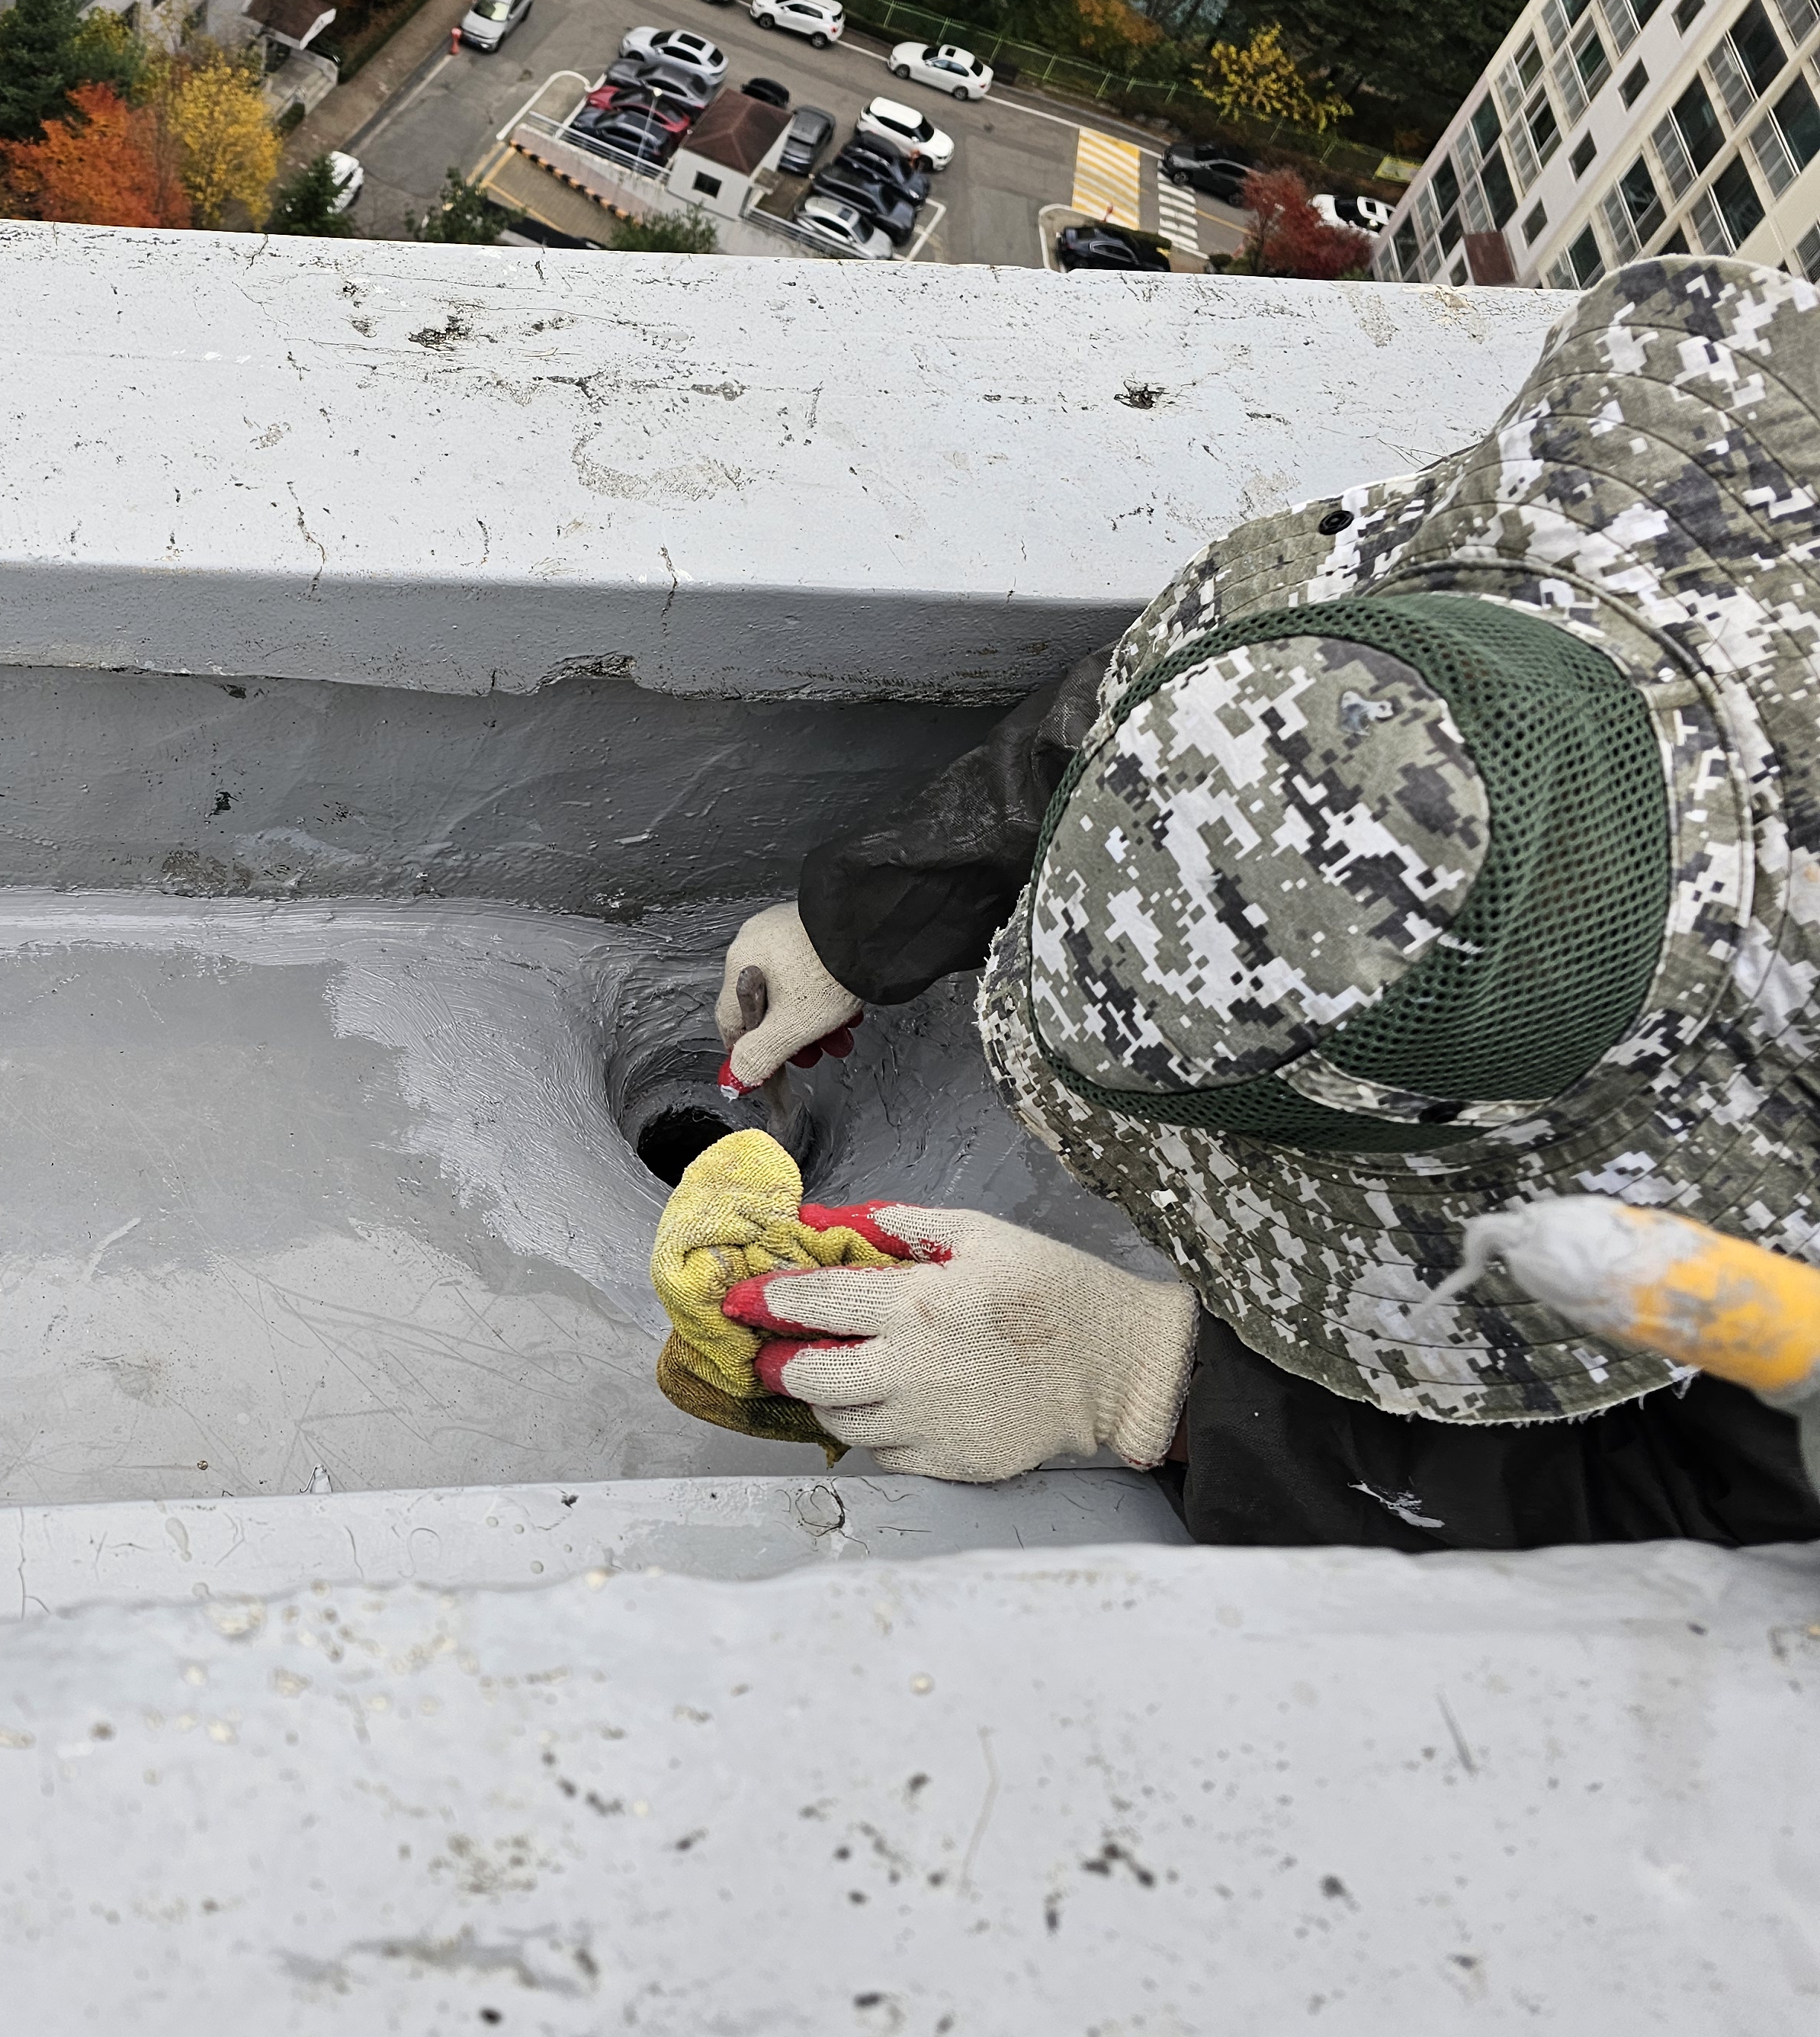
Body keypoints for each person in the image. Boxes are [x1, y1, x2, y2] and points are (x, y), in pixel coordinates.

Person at [691, 257, 1820, 1550]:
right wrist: (870, 915)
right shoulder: (1688, 519)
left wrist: (1154, 1386)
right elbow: (1235, 702)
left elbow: (1695, 1510)